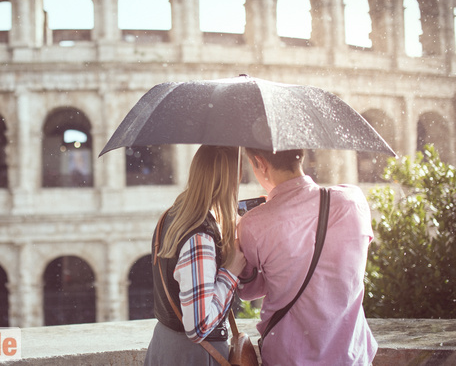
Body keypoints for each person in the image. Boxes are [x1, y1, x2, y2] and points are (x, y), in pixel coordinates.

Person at [237, 148, 377, 365]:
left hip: (289, 358)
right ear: (301, 154)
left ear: (260, 163)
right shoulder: (353, 201)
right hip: (351, 355)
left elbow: (248, 290)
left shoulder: (254, 223)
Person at [144, 145, 247, 365]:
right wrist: (231, 272)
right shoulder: (199, 238)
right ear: (229, 180)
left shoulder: (171, 217)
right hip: (192, 355)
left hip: (165, 345)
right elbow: (198, 328)